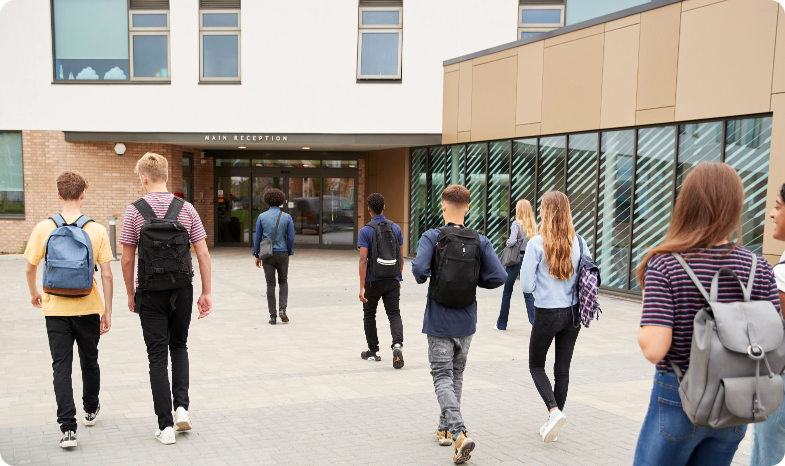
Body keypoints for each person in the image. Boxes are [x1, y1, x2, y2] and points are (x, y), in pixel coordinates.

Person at [634, 162, 780, 466]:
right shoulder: (760, 268)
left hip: (679, 397)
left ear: (686, 202)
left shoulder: (666, 264)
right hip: (736, 402)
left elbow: (654, 347)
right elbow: (774, 344)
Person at [120, 153, 212, 445]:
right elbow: (203, 253)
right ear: (168, 176)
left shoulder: (134, 211)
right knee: (179, 345)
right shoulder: (186, 209)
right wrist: (206, 292)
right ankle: (182, 408)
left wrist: (130, 293)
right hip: (182, 290)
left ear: (144, 178)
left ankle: (165, 427)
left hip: (149, 291)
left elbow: (126, 259)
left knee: (157, 356)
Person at [411, 185, 507, 464]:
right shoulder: (481, 240)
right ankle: (444, 430)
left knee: (442, 377)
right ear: (467, 207)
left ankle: (459, 433)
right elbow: (499, 276)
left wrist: (427, 277)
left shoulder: (432, 236)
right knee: (456, 376)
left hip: (439, 320)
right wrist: (473, 281)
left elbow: (418, 270)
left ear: (443, 206)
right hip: (466, 321)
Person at [23, 171, 113, 449]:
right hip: (88, 308)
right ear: (83, 194)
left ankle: (68, 430)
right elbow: (107, 275)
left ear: (59, 194)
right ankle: (90, 409)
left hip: (55, 309)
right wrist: (107, 312)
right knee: (90, 361)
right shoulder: (96, 230)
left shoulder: (43, 228)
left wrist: (35, 294)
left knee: (61, 367)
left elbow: (29, 267)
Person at [520, 191, 588, 443]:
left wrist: (544, 286)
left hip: (547, 312)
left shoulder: (537, 244)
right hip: (573, 313)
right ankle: (553, 424)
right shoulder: (580, 242)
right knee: (562, 370)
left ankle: (553, 411)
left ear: (546, 212)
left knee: (536, 365)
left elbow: (526, 285)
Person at [749, 182, 785, 466]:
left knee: (768, 454)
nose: (772, 214)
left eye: (778, 206)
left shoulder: (782, 273)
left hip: (779, 382)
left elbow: (771, 334)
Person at [357, 193, 405, 368]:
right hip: (392, 279)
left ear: (369, 209)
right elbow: (401, 257)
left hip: (372, 281)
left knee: (370, 314)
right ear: (384, 207)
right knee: (394, 313)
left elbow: (363, 259)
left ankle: (373, 351)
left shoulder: (365, 231)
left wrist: (362, 287)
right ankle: (397, 344)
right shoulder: (396, 229)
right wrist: (398, 277)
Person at [252, 188, 295, 325]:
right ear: (281, 201)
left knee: (270, 284)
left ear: (267, 200)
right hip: (282, 253)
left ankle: (272, 316)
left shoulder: (261, 217)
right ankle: (282, 310)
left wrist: (257, 254)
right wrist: (288, 251)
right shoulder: (287, 217)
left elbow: (258, 237)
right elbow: (291, 237)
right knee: (283, 282)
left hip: (267, 254)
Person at [495, 199, 537, 330]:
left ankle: (501, 324)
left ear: (519, 210)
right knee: (528, 292)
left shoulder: (516, 224)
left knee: (507, 292)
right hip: (527, 260)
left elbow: (512, 241)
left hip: (515, 260)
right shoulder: (533, 225)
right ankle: (535, 323)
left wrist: (508, 241)